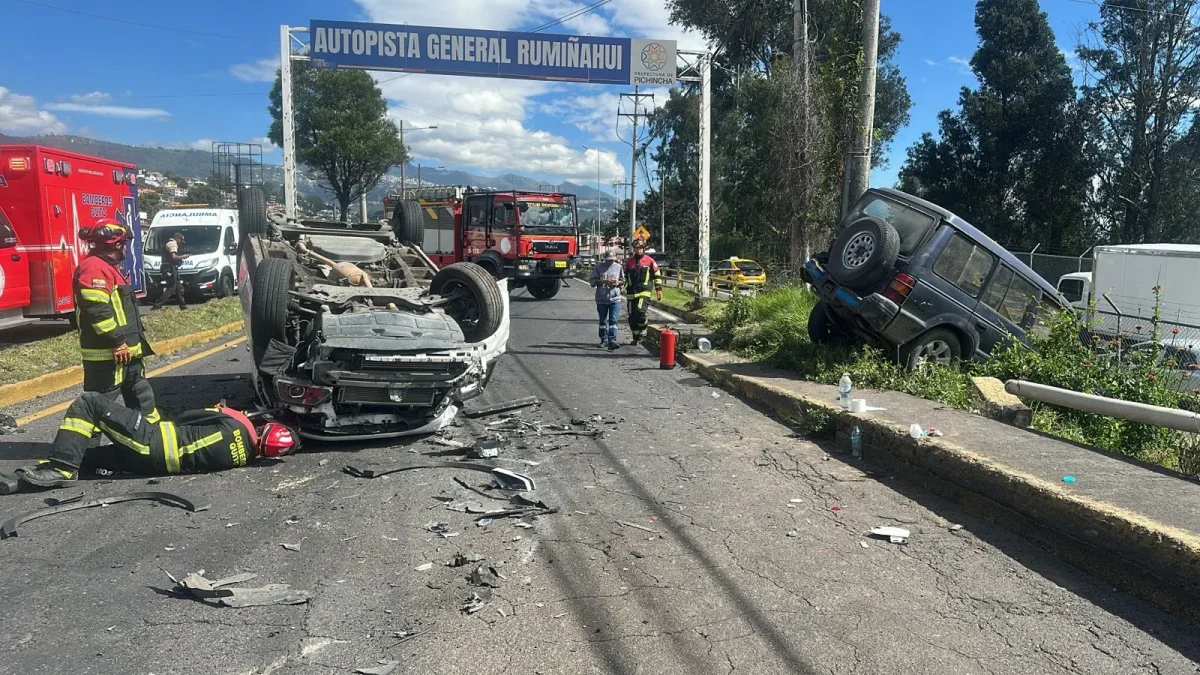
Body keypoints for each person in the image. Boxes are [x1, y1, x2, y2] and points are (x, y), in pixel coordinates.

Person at [14, 392, 299, 488]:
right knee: (86, 461)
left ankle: (61, 468)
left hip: (150, 440)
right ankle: (21, 481)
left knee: (89, 403)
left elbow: (189, 417)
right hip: (149, 465)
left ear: (265, 429)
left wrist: (223, 410)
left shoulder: (238, 421)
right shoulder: (244, 458)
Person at [74, 220, 160, 424]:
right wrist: (117, 341)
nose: (126, 249)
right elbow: (97, 310)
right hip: (109, 355)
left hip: (126, 353)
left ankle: (151, 443)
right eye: (124, 244)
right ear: (117, 245)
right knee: (98, 405)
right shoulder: (94, 268)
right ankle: (88, 451)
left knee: (142, 399)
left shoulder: (107, 268)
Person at [622, 239, 663, 345]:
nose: (638, 250)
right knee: (632, 316)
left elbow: (657, 275)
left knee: (640, 312)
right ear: (634, 249)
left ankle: (644, 328)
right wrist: (622, 286)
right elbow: (625, 277)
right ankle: (636, 336)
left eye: (640, 248)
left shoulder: (650, 261)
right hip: (631, 292)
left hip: (644, 291)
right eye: (636, 248)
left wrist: (658, 289)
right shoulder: (629, 262)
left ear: (644, 249)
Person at [589, 250, 624, 350]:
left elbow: (624, 281)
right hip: (601, 298)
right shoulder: (598, 268)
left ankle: (612, 340)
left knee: (613, 320)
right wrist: (602, 281)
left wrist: (617, 282)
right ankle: (603, 339)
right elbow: (592, 282)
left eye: (612, 260)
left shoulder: (618, 267)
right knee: (603, 320)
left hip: (615, 298)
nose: (610, 262)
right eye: (608, 260)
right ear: (605, 259)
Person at [154, 231, 190, 310]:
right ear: (177, 238)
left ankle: (183, 306)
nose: (180, 243)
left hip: (170, 268)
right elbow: (173, 257)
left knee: (179, 288)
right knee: (172, 288)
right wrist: (183, 256)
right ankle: (157, 305)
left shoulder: (168, 242)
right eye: (180, 240)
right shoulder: (172, 244)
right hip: (169, 268)